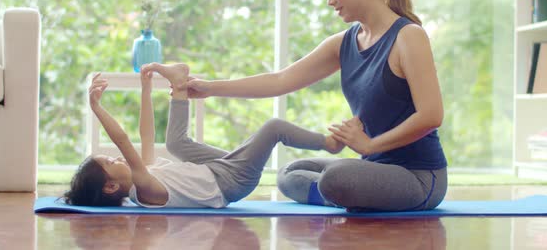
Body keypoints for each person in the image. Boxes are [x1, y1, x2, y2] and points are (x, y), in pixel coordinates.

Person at [177, 0, 448, 211]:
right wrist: (210, 88)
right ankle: (348, 192)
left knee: (335, 178)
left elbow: (431, 115)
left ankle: (345, 190)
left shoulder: (408, 36)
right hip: (374, 169)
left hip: (419, 176)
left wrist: (370, 144)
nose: (330, 0)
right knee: (289, 173)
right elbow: (280, 80)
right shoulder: (343, 43)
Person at [63, 63, 343, 208]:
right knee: (273, 127)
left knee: (174, 143)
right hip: (231, 181)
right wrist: (96, 108)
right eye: (110, 163)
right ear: (111, 187)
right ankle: (329, 143)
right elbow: (123, 141)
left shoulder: (144, 174)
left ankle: (178, 84)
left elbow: (145, 136)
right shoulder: (145, 189)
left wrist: (146, 88)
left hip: (215, 170)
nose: (117, 158)